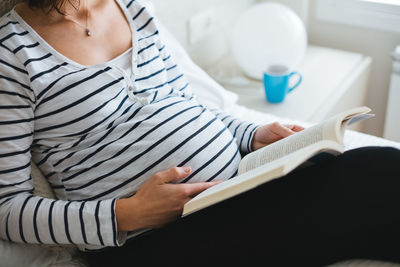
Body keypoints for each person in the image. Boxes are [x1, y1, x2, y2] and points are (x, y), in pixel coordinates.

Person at [0, 0, 399, 266]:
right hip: (147, 240)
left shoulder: (131, 7)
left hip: (235, 190)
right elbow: (7, 209)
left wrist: (252, 134)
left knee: (380, 167)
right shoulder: (11, 54)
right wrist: (129, 213)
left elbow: (184, 104)